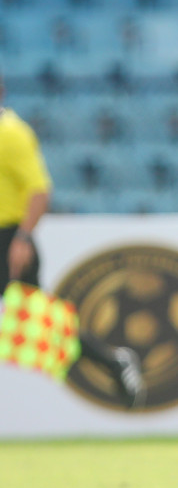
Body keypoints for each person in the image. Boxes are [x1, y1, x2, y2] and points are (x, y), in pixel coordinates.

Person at [0, 68, 144, 406]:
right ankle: (112, 361)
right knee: (41, 327)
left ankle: (113, 360)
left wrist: (22, 238)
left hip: (8, 238)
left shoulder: (10, 134)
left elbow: (39, 191)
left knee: (42, 327)